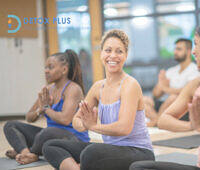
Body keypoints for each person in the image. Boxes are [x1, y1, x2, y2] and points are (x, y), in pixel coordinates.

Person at [42, 29, 155, 170]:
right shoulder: (97, 87)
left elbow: (124, 128)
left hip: (138, 152)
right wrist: (83, 123)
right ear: (101, 53)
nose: (113, 56)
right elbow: (76, 120)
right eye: (108, 50)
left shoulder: (130, 85)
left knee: (91, 153)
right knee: (51, 145)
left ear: (126, 55)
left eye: (119, 51)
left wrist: (92, 126)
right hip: (111, 150)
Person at [129, 27, 200, 170]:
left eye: (197, 44)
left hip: (175, 102)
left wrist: (167, 89)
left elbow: (173, 93)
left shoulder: (192, 71)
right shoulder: (194, 82)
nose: (194, 51)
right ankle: (152, 120)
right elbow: (163, 117)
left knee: (172, 97)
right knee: (138, 167)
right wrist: (193, 126)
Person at [3, 50, 90, 165]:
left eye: (50, 67)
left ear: (64, 70)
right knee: (10, 125)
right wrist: (40, 110)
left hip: (73, 140)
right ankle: (27, 153)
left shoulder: (73, 89)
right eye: (45, 67)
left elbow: (65, 119)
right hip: (47, 137)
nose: (46, 71)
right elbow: (29, 117)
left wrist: (46, 108)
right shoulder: (48, 90)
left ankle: (32, 152)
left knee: (47, 132)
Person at [144, 38, 199, 127]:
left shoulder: (194, 70)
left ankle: (158, 121)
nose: (175, 52)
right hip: (164, 105)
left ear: (189, 51)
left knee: (173, 97)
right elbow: (156, 94)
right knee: (144, 99)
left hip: (181, 107)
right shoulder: (171, 71)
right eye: (175, 49)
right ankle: (157, 120)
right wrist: (161, 84)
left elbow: (187, 91)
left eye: (179, 49)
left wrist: (166, 89)